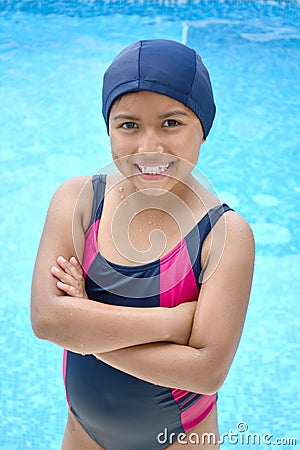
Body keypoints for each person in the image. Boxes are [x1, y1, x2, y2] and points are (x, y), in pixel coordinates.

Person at [31, 39, 255, 450]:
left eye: (171, 123)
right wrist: (172, 324)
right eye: (129, 125)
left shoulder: (223, 234)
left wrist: (86, 328)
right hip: (84, 434)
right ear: (109, 129)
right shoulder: (79, 202)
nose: (149, 147)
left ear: (203, 128)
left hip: (182, 440)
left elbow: (206, 372)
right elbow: (48, 320)